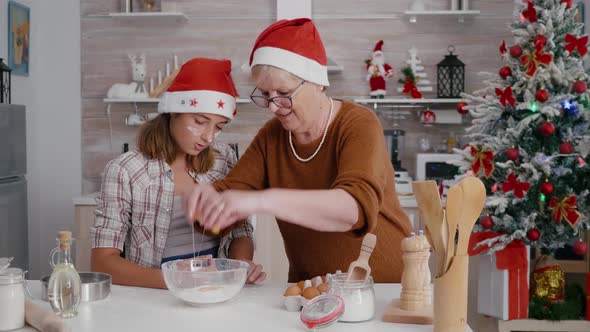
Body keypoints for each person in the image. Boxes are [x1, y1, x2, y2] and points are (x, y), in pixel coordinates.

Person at [184, 19, 412, 283]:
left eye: (283, 92)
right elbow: (234, 191)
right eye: (266, 94)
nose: (273, 105)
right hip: (311, 287)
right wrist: (206, 201)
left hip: (384, 286)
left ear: (316, 83)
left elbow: (352, 211)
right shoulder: (272, 136)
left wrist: (262, 201)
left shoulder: (358, 123)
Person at [90, 58, 266, 288]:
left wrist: (241, 264)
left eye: (219, 126)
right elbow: (103, 263)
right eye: (200, 121)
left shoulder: (224, 160)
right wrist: (179, 281)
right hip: (154, 293)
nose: (209, 136)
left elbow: (240, 229)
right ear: (174, 110)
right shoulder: (125, 171)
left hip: (215, 288)